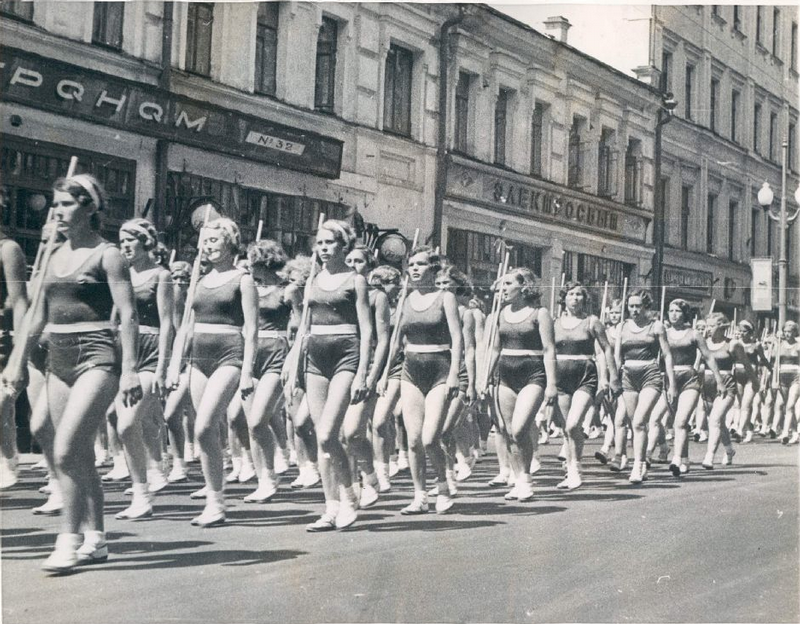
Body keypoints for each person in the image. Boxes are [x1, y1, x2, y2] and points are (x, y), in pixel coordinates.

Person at [3, 174, 142, 573]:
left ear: (89, 207)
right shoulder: (52, 256)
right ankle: (97, 538)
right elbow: (34, 317)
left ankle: (68, 541)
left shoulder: (108, 255)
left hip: (97, 356)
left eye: (65, 204)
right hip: (57, 357)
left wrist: (130, 369)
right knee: (76, 452)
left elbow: (129, 315)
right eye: (55, 204)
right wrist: (16, 363)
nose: (57, 211)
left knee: (64, 451)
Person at [170, 217, 258, 527]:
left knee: (205, 426)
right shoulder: (199, 279)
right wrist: (174, 365)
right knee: (203, 428)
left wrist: (247, 372)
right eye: (203, 241)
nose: (206, 246)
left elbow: (251, 329)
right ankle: (214, 499)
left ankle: (217, 500)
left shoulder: (243, 280)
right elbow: (186, 326)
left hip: (229, 354)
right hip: (198, 357)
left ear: (230, 243)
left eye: (213, 240)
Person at [296, 220, 372, 532]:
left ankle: (350, 494)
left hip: (346, 354)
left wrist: (363, 373)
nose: (324, 249)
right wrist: (293, 368)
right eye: (320, 243)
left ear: (344, 246)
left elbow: (367, 332)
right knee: (319, 436)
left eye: (330, 243)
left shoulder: (356, 281)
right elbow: (304, 327)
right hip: (315, 357)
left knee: (329, 434)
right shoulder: (312, 280)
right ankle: (331, 507)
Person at [114, 219, 174, 520]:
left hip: (150, 352)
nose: (124, 245)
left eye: (130, 239)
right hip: (124, 352)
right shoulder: (120, 274)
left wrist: (164, 367)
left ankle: (146, 486)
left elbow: (167, 325)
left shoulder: (161, 275)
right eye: (121, 240)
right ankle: (146, 482)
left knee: (127, 424)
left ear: (145, 241)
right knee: (132, 422)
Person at [396, 246, 462, 515]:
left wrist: (456, 372)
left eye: (420, 264)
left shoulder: (445, 297)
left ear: (433, 268)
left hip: (440, 369)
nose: (414, 269)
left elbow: (457, 338)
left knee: (430, 438)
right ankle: (419, 495)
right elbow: (396, 340)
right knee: (412, 440)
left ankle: (444, 486)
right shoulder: (405, 298)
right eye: (411, 264)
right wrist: (380, 373)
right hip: (411, 369)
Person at [483, 268, 557, 501]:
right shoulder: (500, 314)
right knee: (505, 431)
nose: (503, 289)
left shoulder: (539, 313)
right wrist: (484, 378)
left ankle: (525, 478)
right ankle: (519, 479)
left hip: (533, 374)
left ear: (524, 286)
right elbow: (494, 349)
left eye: (508, 284)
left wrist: (552, 383)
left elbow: (549, 349)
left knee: (519, 429)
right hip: (504, 375)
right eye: (502, 285)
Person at [242, 238, 301, 502]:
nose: (249, 266)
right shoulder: (248, 288)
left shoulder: (287, 290)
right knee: (250, 425)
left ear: (264, 262)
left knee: (258, 420)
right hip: (250, 352)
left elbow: (300, 326)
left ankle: (280, 459)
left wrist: (293, 359)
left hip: (277, 352)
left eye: (254, 261)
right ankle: (265, 478)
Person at [553, 282, 619, 489]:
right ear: (564, 298)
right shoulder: (555, 323)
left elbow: (606, 349)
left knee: (574, 424)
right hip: (560, 376)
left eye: (580, 295)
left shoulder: (592, 322)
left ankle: (575, 467)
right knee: (566, 429)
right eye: (571, 294)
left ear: (585, 299)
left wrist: (611, 377)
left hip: (585, 375)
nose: (575, 298)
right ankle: (571, 470)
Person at [342, 244, 390, 508]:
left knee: (353, 432)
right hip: (340, 365)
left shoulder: (376, 297)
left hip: (366, 367)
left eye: (358, 261)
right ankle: (353, 486)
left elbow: (382, 340)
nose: (352, 265)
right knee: (338, 435)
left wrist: (372, 376)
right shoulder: (340, 293)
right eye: (348, 259)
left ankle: (370, 477)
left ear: (369, 266)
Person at [615, 290, 675, 483]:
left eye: (638, 306)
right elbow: (617, 356)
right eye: (631, 306)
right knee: (635, 424)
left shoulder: (656, 326)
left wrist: (671, 383)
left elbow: (667, 355)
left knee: (640, 421)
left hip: (650, 373)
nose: (634, 310)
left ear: (646, 307)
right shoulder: (622, 327)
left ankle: (638, 464)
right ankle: (641, 461)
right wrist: (614, 379)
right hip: (628, 375)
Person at [661, 299, 725, 476]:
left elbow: (709, 357)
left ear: (685, 314)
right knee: (673, 422)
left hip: (689, 379)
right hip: (669, 379)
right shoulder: (663, 333)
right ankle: (685, 459)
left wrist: (719, 379)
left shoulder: (694, 334)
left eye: (678, 311)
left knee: (681, 421)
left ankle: (675, 459)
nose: (674, 314)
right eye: (671, 310)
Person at [701, 313, 758, 468]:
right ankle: (729, 450)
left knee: (714, 420)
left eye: (711, 326)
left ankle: (709, 456)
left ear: (721, 327)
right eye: (707, 326)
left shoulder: (733, 344)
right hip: (706, 386)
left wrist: (754, 382)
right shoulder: (704, 342)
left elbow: (746, 364)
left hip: (726, 386)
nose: (708, 329)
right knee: (718, 423)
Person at [0, 227, 29, 488]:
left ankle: (7, 457)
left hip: (2, 337)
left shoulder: (8, 249)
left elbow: (20, 301)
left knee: (1, 403)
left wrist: (20, 351)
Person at [370, 265, 403, 492]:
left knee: (381, 420)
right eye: (390, 284)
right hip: (370, 363)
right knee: (372, 423)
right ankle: (383, 460)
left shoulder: (400, 308)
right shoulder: (369, 302)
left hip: (395, 368)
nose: (395, 289)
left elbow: (395, 344)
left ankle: (383, 472)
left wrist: (383, 374)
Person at [732, 320, 770, 444]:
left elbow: (763, 359)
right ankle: (749, 430)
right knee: (738, 405)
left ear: (750, 332)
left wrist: (772, 370)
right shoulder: (735, 344)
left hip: (751, 377)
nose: (742, 334)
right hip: (737, 375)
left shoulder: (756, 345)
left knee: (746, 405)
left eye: (745, 331)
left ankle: (739, 430)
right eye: (740, 331)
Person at [774, 321, 800, 444]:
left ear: (795, 332)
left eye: (790, 331)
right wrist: (774, 380)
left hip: (796, 377)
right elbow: (775, 363)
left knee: (790, 405)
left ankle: (785, 433)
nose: (787, 334)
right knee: (786, 406)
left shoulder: (798, 345)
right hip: (782, 377)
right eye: (785, 331)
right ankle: (795, 432)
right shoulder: (779, 344)